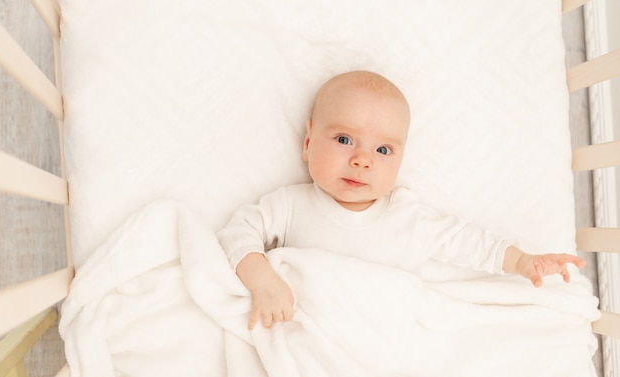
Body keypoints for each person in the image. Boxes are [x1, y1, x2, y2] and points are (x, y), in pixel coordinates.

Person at [217, 70, 586, 331]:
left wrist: (522, 261)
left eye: (383, 149)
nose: (363, 160)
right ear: (308, 142)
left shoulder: (407, 217)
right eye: (344, 139)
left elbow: (465, 240)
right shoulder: (290, 205)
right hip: (312, 333)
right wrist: (263, 280)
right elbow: (237, 232)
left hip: (384, 337)